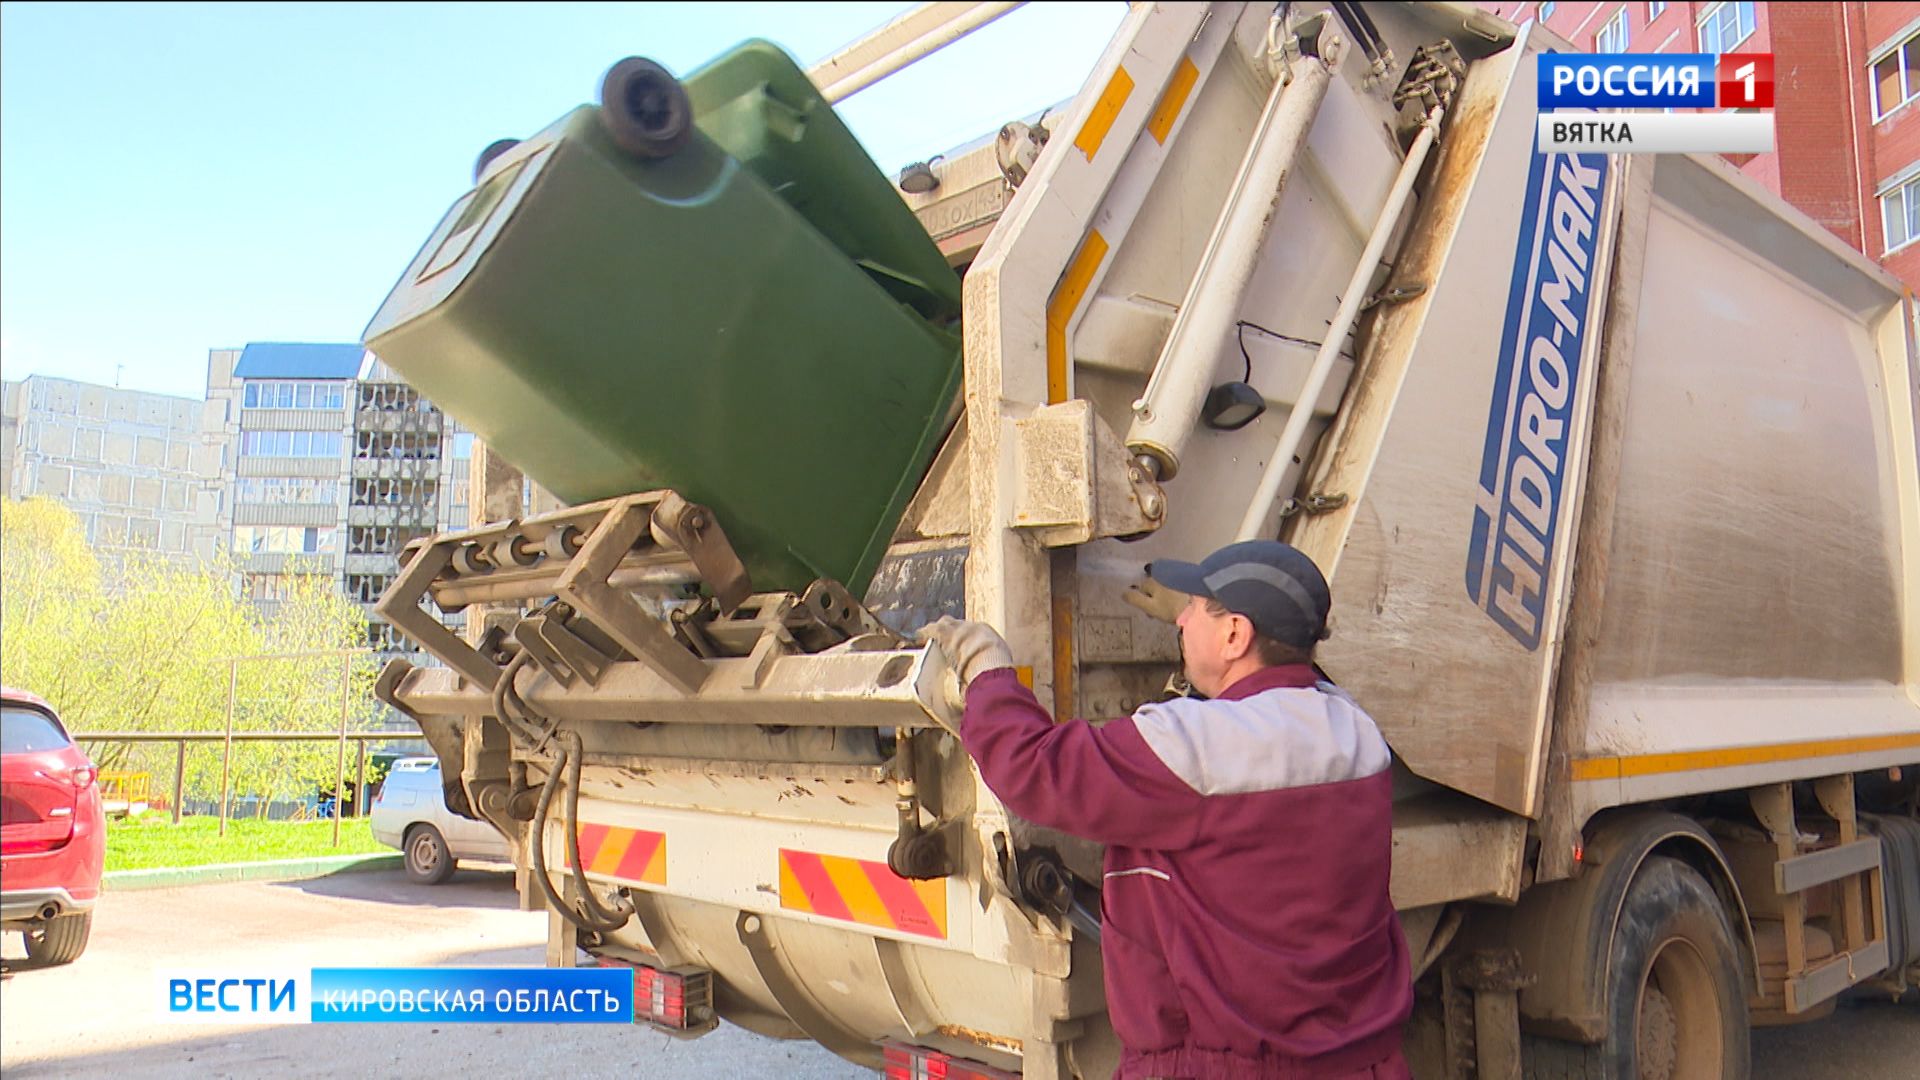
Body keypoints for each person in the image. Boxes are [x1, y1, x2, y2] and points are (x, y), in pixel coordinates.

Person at [919, 540, 1411, 1080]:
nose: (1179, 617)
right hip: (1357, 1061)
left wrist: (986, 669)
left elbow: (1034, 769)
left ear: (1235, 635)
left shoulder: (1196, 748)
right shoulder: (1356, 733)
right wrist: (1201, 664)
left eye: (1196, 607)